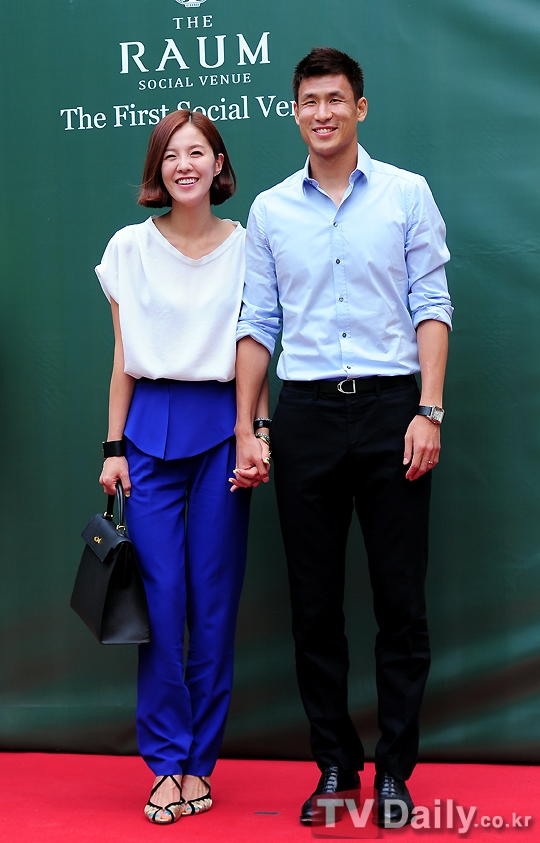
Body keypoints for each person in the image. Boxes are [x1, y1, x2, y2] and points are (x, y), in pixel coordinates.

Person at [232, 47, 452, 827]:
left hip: (395, 410)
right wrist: (249, 427)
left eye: (335, 99)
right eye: (309, 101)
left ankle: (394, 770)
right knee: (314, 605)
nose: (321, 113)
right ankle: (334, 764)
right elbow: (258, 322)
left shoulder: (406, 194)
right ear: (294, 112)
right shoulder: (269, 211)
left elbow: (432, 302)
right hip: (307, 417)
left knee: (401, 602)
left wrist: (428, 410)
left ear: (360, 107)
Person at [96, 109, 269, 825]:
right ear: (157, 169)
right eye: (171, 155)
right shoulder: (128, 247)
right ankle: (166, 763)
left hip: (225, 429)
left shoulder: (250, 246)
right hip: (148, 435)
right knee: (161, 603)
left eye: (197, 152)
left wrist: (257, 432)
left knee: (214, 601)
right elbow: (122, 354)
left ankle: (202, 762)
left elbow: (258, 346)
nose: (184, 165)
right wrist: (112, 448)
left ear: (218, 164)